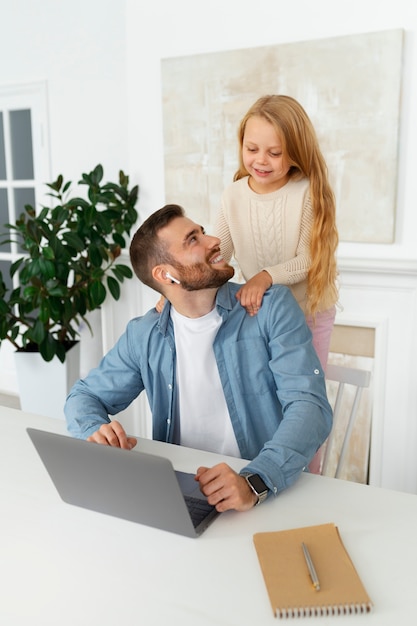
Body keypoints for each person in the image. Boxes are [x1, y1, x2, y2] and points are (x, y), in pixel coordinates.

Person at [65, 204, 332, 513]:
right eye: (193, 239)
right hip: (183, 496)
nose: (213, 241)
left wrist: (254, 481)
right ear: (166, 275)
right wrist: (94, 430)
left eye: (202, 232)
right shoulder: (145, 334)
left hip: (264, 495)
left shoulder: (270, 309)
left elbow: (310, 407)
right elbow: (83, 396)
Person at [216, 94, 339, 372]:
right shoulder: (233, 195)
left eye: (274, 153)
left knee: (305, 393)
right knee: (265, 396)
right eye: (252, 149)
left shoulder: (307, 192)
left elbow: (308, 259)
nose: (261, 161)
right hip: (261, 314)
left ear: (296, 151)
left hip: (309, 313)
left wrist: (264, 277)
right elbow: (219, 254)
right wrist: (177, 286)